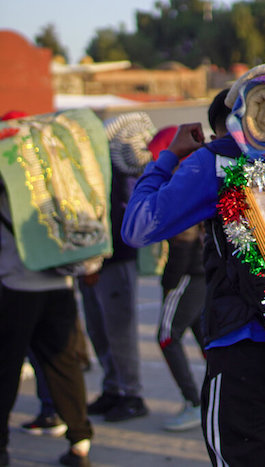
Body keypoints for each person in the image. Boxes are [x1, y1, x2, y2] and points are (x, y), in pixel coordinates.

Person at [121, 89, 265, 465]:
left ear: (223, 128)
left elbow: (137, 226)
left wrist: (169, 157)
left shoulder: (218, 160)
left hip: (241, 348)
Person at [1, 167, 93, 465]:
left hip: (16, 283)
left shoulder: (8, 170)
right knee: (63, 362)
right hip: (59, 282)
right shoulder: (52, 170)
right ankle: (80, 442)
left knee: (6, 367)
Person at [79, 113, 153, 422]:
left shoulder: (119, 168)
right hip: (92, 260)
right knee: (99, 330)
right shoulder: (90, 168)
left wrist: (97, 258)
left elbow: (116, 216)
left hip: (114, 258)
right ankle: (113, 389)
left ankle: (132, 394)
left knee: (119, 330)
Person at [147, 126, 207, 432]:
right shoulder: (201, 173)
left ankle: (195, 403)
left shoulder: (182, 181)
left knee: (167, 336)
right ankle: (212, 402)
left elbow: (183, 241)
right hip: (202, 274)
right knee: (206, 339)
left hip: (188, 274)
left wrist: (168, 283)